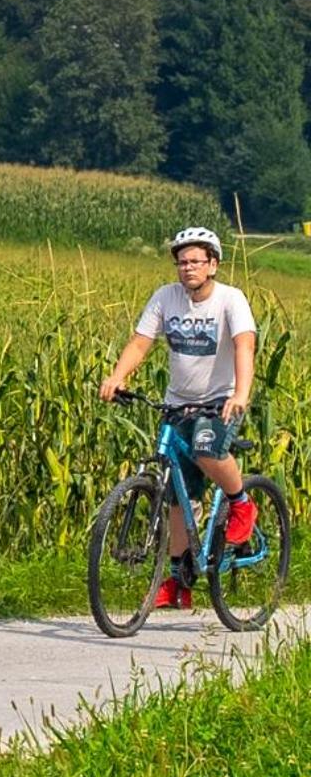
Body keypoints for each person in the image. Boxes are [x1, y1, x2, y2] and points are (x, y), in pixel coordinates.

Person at [99, 226, 258, 610]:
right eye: (181, 262)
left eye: (195, 261)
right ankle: (178, 581)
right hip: (177, 403)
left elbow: (244, 344)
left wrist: (240, 393)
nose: (187, 268)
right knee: (175, 493)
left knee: (206, 447)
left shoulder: (230, 300)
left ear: (213, 264)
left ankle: (241, 503)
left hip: (220, 401)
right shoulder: (166, 297)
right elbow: (141, 342)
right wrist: (118, 377)